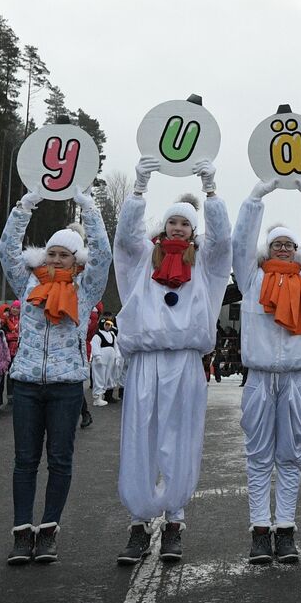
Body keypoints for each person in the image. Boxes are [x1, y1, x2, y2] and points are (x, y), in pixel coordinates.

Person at [114, 157, 229, 566]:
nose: (178, 228)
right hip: (146, 361)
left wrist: (211, 191)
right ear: (163, 228)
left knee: (179, 438)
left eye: (184, 224)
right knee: (141, 438)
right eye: (172, 223)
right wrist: (139, 188)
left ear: (193, 230)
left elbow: (223, 242)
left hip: (184, 361)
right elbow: (125, 238)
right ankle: (138, 524)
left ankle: (175, 522)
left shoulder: (205, 265)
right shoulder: (144, 258)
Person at [0, 187, 112, 566]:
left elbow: (104, 255)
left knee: (60, 460)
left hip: (66, 386)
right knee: (25, 461)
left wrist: (88, 207)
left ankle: (48, 530)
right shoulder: (28, 282)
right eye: (52, 253)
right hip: (27, 384)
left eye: (65, 254)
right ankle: (21, 532)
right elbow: (6, 250)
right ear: (44, 255)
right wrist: (25, 205)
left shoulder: (85, 288)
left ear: (76, 258)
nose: (57, 258)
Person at [232, 175, 301, 564]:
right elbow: (241, 242)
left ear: (297, 250)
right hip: (259, 379)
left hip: (295, 380)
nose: (284, 249)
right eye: (277, 244)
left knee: (290, 457)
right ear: (268, 248)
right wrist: (256, 197)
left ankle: (286, 529)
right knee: (258, 457)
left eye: (290, 245)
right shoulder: (252, 278)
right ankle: (260, 530)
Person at [89, 315, 123, 407]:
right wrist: (97, 357)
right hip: (101, 361)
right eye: (106, 324)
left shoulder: (112, 335)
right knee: (100, 377)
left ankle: (108, 396)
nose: (108, 326)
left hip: (111, 360)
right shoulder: (97, 335)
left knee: (110, 376)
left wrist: (118, 357)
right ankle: (97, 398)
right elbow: (95, 346)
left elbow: (116, 347)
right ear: (102, 324)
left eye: (110, 325)